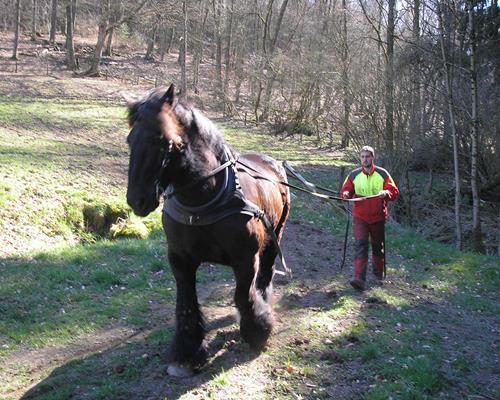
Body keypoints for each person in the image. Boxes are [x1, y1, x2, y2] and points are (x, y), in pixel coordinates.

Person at [340, 146, 399, 291]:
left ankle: (378, 276)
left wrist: (386, 192)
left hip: (378, 217)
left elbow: (394, 191)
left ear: (373, 158)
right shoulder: (353, 175)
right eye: (362, 156)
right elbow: (345, 190)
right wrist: (346, 194)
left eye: (368, 156)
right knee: (361, 245)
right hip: (360, 217)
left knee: (378, 247)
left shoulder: (382, 174)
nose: (365, 159)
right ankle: (359, 278)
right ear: (360, 158)